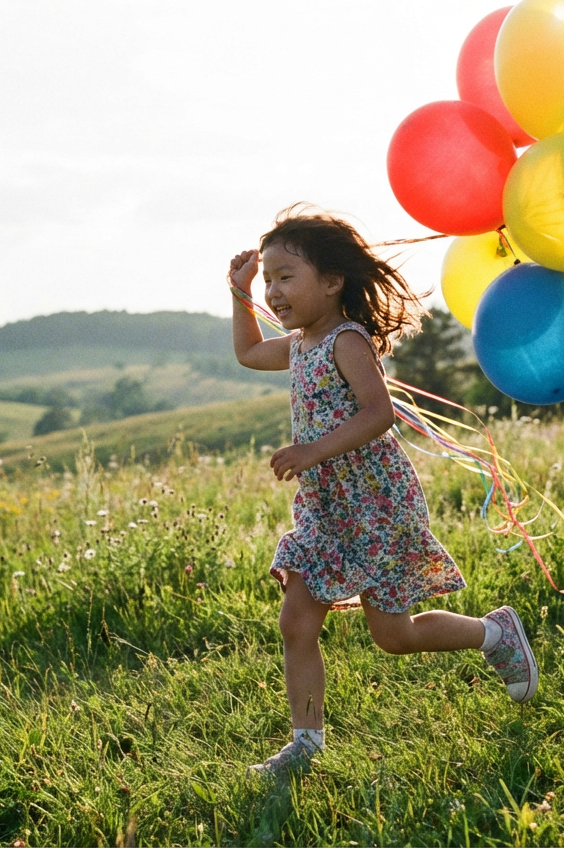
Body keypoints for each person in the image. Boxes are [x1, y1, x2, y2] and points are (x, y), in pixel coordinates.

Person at [228, 206, 538, 779]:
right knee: (296, 620)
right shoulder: (297, 345)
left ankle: (495, 633)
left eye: (285, 276)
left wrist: (312, 451)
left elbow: (379, 414)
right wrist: (239, 294)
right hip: (324, 508)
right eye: (268, 278)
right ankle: (305, 744)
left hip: (375, 503)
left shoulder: (347, 340)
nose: (274, 289)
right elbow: (248, 354)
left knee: (392, 636)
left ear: (332, 282)